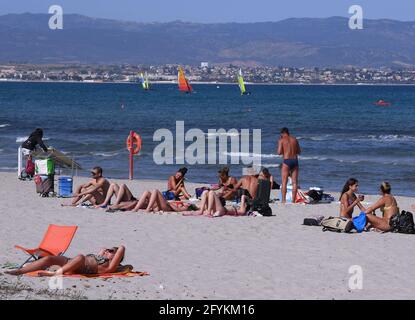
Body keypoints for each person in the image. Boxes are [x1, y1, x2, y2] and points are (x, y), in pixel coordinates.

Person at [5, 246, 125, 276]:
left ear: (117, 258)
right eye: (108, 250)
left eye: (111, 251)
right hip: (69, 261)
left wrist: (115, 252)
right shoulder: (100, 257)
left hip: (80, 266)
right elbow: (102, 250)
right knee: (48, 259)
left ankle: (55, 274)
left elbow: (122, 248)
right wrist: (106, 251)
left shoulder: (110, 266)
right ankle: (19, 271)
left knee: (80, 257)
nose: (107, 251)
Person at [277, 127, 301, 204]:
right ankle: (293, 201)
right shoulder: (295, 139)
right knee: (294, 183)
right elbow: (299, 151)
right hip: (295, 161)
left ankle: (283, 200)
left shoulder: (281, 140)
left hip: (287, 161)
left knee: (284, 182)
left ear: (282, 133)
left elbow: (279, 152)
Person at [184, 190, 248, 217]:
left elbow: (242, 197)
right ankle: (202, 211)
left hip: (220, 211)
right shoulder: (240, 209)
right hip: (218, 210)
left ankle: (202, 211)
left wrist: (244, 198)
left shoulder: (241, 211)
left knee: (210, 192)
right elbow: (243, 197)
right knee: (206, 191)